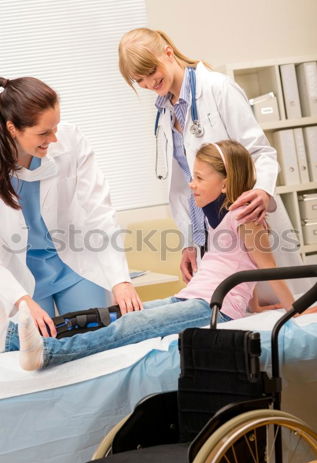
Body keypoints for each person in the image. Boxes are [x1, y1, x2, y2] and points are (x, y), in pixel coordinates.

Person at [2, 140, 298, 370]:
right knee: (112, 315)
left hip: (212, 307)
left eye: (198, 177)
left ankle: (50, 353)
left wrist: (292, 310)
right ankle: (17, 339)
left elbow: (266, 269)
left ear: (225, 182)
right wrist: (254, 305)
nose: (191, 184)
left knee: (131, 326)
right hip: (192, 298)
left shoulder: (246, 220)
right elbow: (243, 269)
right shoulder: (217, 216)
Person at [118, 28, 307, 298]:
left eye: (151, 71)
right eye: (140, 80)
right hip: (209, 234)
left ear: (168, 53)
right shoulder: (163, 113)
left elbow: (260, 151)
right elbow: (184, 183)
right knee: (232, 315)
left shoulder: (218, 88)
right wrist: (189, 243)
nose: (149, 83)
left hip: (245, 219)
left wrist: (263, 191)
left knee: (282, 309)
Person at [0, 76, 142, 339]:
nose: (54, 138)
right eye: (43, 133)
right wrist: (19, 299)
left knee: (98, 340)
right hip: (18, 274)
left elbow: (100, 210)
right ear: (12, 129)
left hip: (73, 261)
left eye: (55, 127)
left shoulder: (70, 141)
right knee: (39, 353)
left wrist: (120, 280)